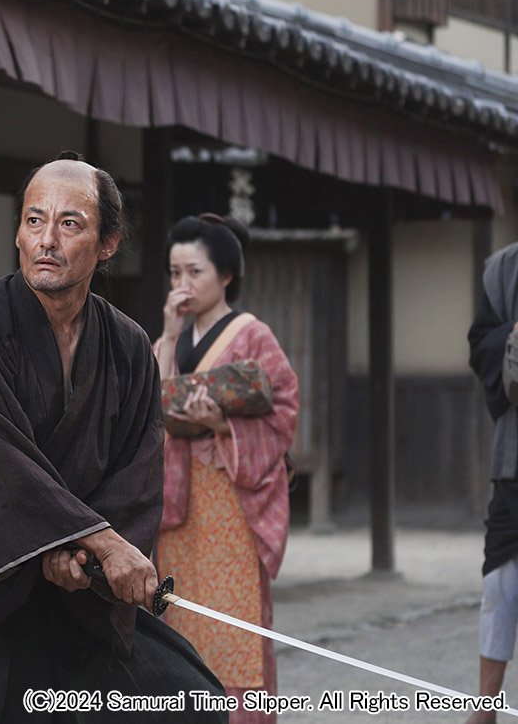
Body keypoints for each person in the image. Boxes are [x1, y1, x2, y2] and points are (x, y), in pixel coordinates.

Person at [0, 153, 226, 722]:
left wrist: (85, 554)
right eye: (33, 220)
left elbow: (136, 471)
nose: (47, 239)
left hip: (73, 581)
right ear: (18, 234)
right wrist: (88, 540)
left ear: (107, 244)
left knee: (187, 701)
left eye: (70, 223)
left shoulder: (126, 347)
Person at [152, 214, 299, 724]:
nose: (182, 285)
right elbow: (151, 401)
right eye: (174, 273)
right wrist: (168, 336)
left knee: (234, 630)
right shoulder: (171, 336)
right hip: (175, 505)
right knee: (178, 623)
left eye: (194, 272)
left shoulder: (251, 333)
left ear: (226, 275)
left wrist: (222, 424)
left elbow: (284, 408)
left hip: (228, 503)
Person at [467, 241, 518, 724]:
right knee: (500, 579)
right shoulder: (504, 268)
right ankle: (486, 707)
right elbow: (480, 340)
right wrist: (513, 339)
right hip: (515, 457)